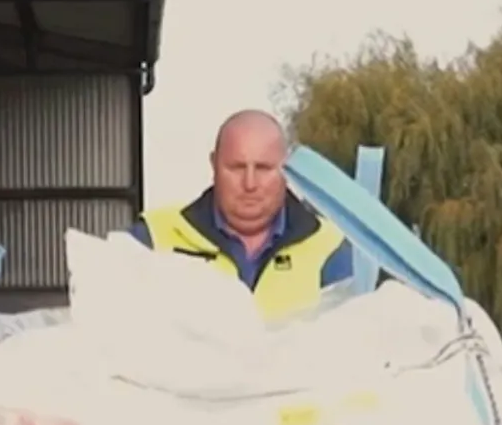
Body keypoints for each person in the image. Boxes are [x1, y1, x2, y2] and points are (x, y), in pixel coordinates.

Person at [129, 109, 352, 318]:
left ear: (287, 169)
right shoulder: (152, 238)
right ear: (214, 165)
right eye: (236, 167)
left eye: (263, 168)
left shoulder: (329, 247)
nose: (250, 183)